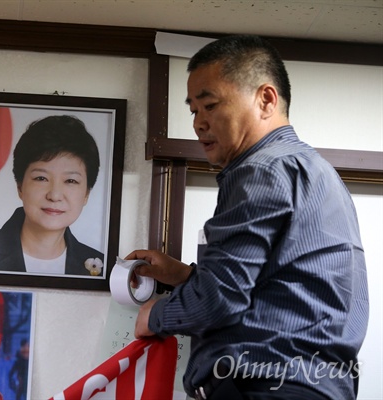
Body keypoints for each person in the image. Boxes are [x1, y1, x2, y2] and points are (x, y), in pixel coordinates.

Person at [127, 35, 368, 400]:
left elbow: (221, 298)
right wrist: (185, 276)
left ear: (265, 99)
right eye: (193, 110)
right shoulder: (316, 172)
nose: (199, 123)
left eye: (209, 105)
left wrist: (157, 314)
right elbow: (280, 291)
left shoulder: (259, 170)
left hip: (266, 387)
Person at [0, 115, 104, 276]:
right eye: (41, 178)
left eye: (70, 180)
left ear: (86, 194)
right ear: (20, 186)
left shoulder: (102, 266)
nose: (55, 195)